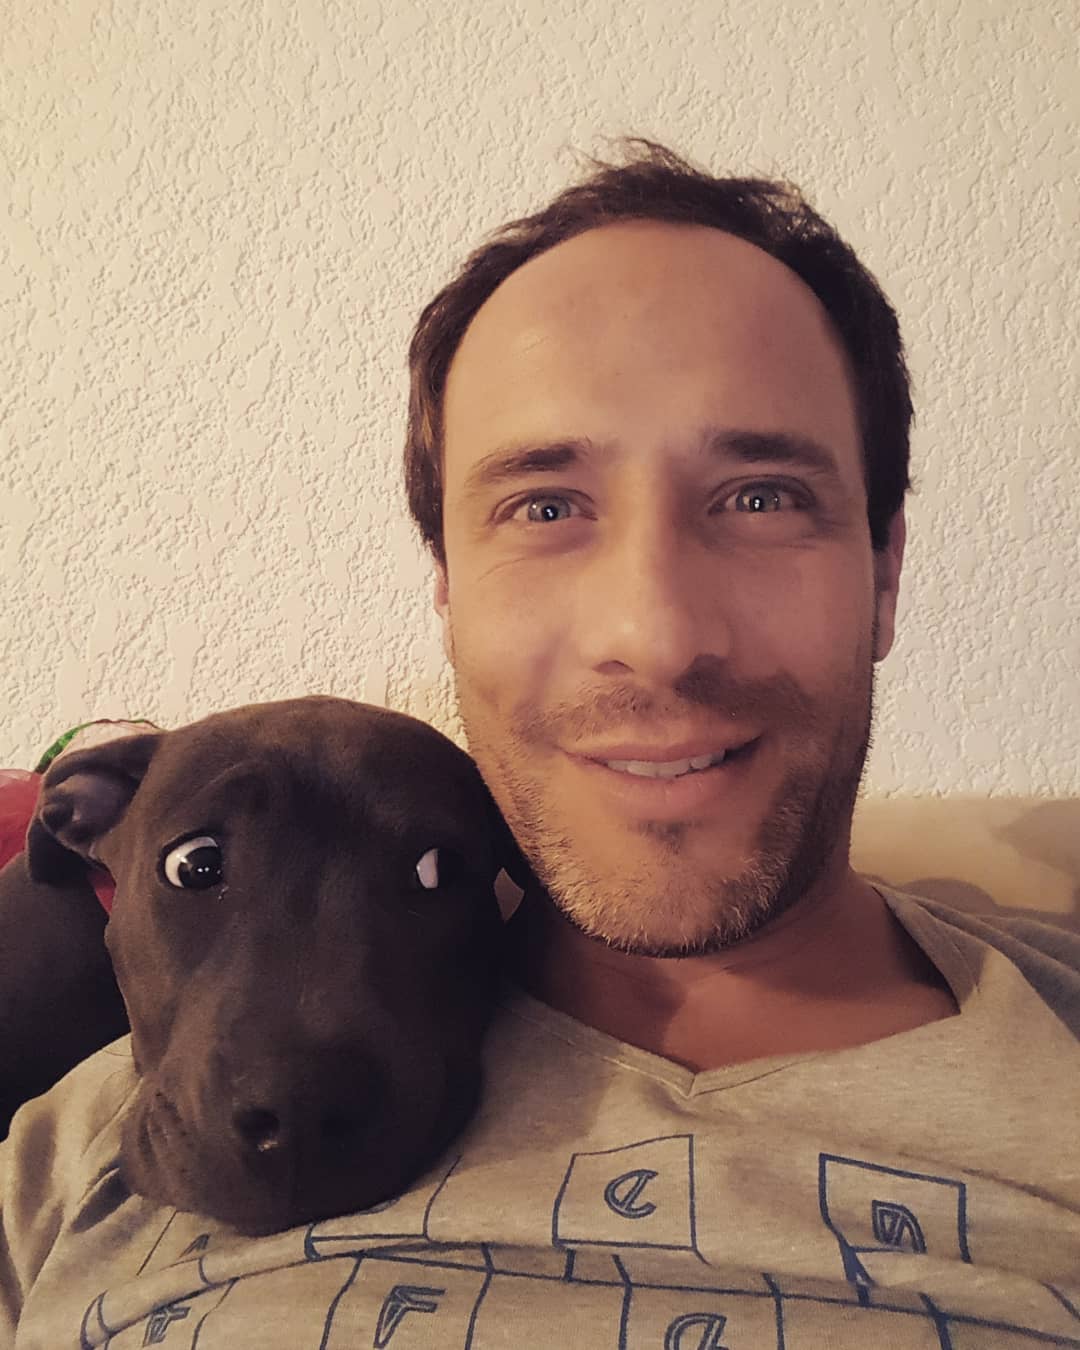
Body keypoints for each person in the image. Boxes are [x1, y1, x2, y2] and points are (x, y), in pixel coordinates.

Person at [3, 141, 1079, 1347]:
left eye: (762, 496)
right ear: (450, 592)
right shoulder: (99, 1133)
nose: (655, 637)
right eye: (545, 507)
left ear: (884, 574)